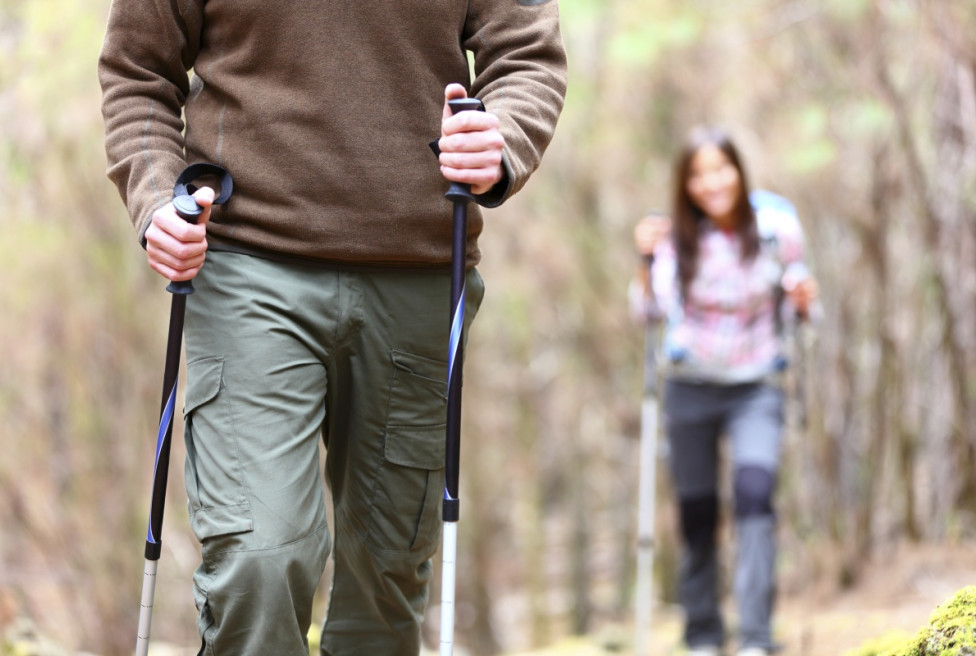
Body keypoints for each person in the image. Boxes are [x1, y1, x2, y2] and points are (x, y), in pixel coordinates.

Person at [98, 2, 567, 654]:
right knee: (259, 560)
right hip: (248, 263)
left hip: (417, 271)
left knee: (386, 578)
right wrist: (155, 201)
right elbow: (137, 71)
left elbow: (526, 60)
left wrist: (502, 139)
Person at [629, 126, 818, 656]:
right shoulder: (673, 239)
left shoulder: (778, 226)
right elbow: (647, 313)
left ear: (739, 170)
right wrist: (644, 262)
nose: (711, 183)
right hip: (691, 386)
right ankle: (704, 636)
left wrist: (804, 299)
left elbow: (802, 298)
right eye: (698, 175)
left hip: (757, 386)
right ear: (685, 185)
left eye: (720, 169)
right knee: (698, 511)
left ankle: (756, 637)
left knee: (755, 497)